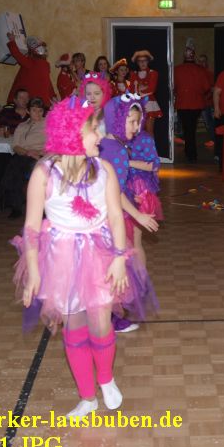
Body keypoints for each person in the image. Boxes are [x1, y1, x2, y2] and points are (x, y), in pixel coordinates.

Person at [12, 96, 139, 418]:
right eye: (94, 129)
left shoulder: (104, 169)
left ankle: (106, 378)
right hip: (61, 257)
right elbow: (31, 227)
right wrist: (34, 272)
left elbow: (115, 217)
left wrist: (119, 257)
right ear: (72, 135)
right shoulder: (44, 173)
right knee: (74, 326)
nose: (100, 135)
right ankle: (87, 396)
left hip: (99, 253)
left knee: (100, 322)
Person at [101, 92, 161, 333]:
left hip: (107, 211)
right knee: (113, 263)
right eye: (132, 121)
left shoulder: (110, 144)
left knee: (109, 264)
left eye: (139, 121)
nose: (137, 127)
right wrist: (138, 215)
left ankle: (109, 315)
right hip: (109, 215)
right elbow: (113, 191)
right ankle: (110, 317)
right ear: (117, 119)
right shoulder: (115, 149)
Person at [125, 98, 163, 269]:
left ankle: (139, 279)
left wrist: (127, 163)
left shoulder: (144, 139)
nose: (134, 125)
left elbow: (154, 165)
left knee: (135, 240)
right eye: (130, 120)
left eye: (137, 120)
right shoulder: (116, 139)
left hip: (139, 191)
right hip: (120, 190)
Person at [3, 99, 47, 219]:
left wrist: (39, 153)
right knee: (13, 167)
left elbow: (53, 144)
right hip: (24, 154)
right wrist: (28, 152)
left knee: (24, 168)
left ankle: (38, 208)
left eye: (40, 111)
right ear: (28, 111)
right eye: (34, 110)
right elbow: (15, 146)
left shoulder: (48, 124)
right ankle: (16, 206)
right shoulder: (22, 126)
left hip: (40, 155)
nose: (37, 113)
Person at [173, 39, 211, 163]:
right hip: (196, 103)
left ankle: (190, 153)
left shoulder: (176, 69)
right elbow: (206, 87)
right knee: (191, 128)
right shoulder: (201, 70)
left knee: (187, 128)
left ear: (184, 56)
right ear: (194, 56)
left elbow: (173, 87)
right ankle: (191, 153)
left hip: (182, 103)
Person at [6, 32, 56, 106]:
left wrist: (53, 96)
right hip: (29, 101)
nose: (42, 50)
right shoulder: (30, 62)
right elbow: (17, 55)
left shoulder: (45, 65)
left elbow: (48, 82)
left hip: (41, 101)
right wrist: (12, 41)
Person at [129, 51, 160, 134]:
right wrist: (144, 87)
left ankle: (150, 143)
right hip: (137, 104)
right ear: (137, 63)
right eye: (140, 61)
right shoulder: (133, 74)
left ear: (148, 61)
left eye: (145, 60)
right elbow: (131, 90)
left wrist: (139, 89)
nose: (142, 63)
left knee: (149, 131)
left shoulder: (153, 73)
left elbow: (152, 89)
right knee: (137, 131)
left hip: (149, 104)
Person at [196, 54, 216, 149]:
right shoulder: (195, 74)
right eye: (199, 61)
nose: (201, 63)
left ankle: (213, 140)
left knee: (209, 122)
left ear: (206, 62)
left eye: (203, 61)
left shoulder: (210, 74)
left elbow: (213, 88)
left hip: (206, 102)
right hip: (195, 102)